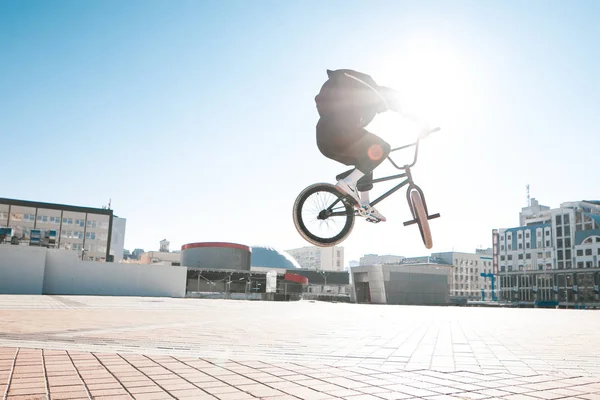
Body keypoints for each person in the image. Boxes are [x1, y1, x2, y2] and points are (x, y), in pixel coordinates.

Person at [314, 68, 407, 222]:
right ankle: (348, 182)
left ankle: (365, 204)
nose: (381, 110)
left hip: (327, 141)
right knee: (382, 147)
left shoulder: (364, 107)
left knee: (366, 159)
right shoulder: (371, 91)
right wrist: (420, 121)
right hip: (336, 131)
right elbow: (397, 103)